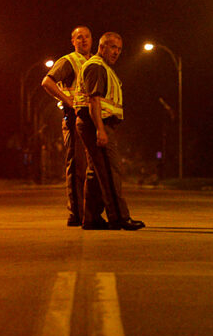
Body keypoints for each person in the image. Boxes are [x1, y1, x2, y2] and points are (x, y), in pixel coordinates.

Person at [74, 32, 145, 230]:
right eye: (112, 47)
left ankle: (91, 218)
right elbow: (94, 100)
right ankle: (120, 217)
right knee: (110, 171)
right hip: (96, 124)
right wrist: (100, 130)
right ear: (101, 47)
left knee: (96, 174)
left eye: (119, 49)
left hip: (95, 124)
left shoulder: (103, 67)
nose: (116, 52)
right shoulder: (96, 67)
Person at [41, 26, 94, 226]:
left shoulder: (94, 62)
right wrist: (68, 101)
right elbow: (47, 82)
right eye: (79, 38)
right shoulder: (69, 61)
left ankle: (89, 212)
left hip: (93, 119)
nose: (83, 40)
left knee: (91, 169)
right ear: (73, 41)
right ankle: (76, 213)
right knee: (77, 166)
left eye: (87, 37)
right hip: (74, 118)